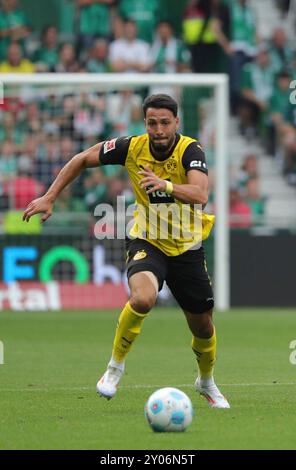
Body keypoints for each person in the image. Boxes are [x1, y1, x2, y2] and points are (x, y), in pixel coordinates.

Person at [23, 94, 230, 409]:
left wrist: (166, 185)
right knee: (142, 298)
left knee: (202, 325)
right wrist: (50, 196)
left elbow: (200, 193)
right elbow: (81, 158)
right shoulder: (131, 147)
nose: (158, 129)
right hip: (147, 240)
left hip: (188, 247)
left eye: (164, 122)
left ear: (176, 122)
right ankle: (114, 368)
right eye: (151, 123)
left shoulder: (191, 150)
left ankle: (206, 381)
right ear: (144, 123)